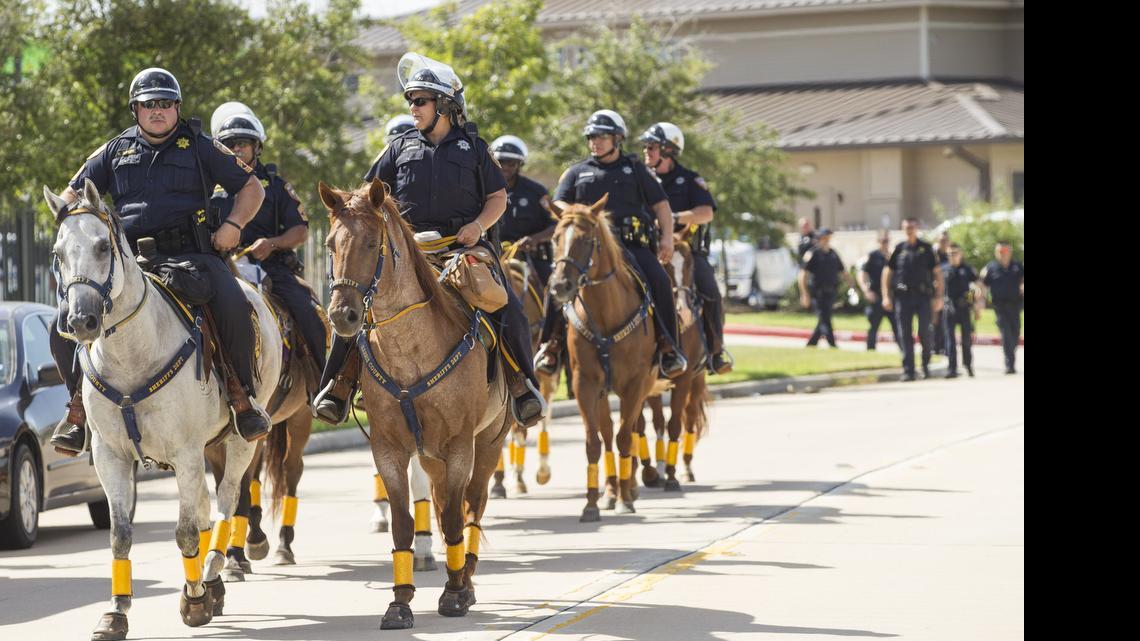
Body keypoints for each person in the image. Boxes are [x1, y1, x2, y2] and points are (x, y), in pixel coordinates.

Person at [312, 53, 546, 427]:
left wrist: (478, 228)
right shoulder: (399, 147)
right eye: (410, 100)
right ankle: (337, 387)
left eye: (420, 100)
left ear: (444, 106)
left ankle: (522, 386)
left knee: (507, 306)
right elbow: (365, 195)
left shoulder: (474, 147)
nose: (413, 107)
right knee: (360, 305)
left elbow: (498, 198)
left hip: (464, 247)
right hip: (410, 253)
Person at [49, 67, 270, 455]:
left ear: (177, 108)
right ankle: (77, 410)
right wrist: (71, 223)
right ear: (135, 109)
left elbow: (251, 188)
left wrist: (234, 225)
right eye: (148, 104)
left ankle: (241, 396)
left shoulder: (201, 147)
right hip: (127, 262)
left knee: (235, 304)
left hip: (193, 256)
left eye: (165, 104)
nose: (157, 111)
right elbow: (69, 197)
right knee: (62, 320)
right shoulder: (113, 151)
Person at [533, 109, 688, 379]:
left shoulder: (635, 169)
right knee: (555, 284)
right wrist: (576, 212)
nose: (596, 141)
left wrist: (666, 238)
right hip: (587, 248)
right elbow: (558, 201)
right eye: (592, 136)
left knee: (660, 281)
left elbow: (661, 205)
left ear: (618, 139)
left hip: (633, 246)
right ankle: (552, 344)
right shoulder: (576, 171)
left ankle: (668, 346)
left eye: (603, 136)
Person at [210, 102, 327, 375]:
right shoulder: (208, 188)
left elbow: (300, 230)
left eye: (242, 143)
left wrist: (272, 243)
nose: (237, 149)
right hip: (222, 268)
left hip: (272, 269)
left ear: (256, 147)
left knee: (309, 313)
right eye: (230, 144)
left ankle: (324, 384)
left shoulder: (276, 186)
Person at [639, 121, 732, 374]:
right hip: (648, 251)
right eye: (645, 146)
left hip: (687, 253)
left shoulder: (690, 179)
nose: (646, 151)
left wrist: (673, 218)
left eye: (653, 147)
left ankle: (715, 351)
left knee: (711, 290)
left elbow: (705, 213)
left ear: (669, 150)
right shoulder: (641, 180)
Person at [882, 218, 943, 381]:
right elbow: (887, 273)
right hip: (903, 297)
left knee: (924, 331)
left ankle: (924, 366)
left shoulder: (927, 248)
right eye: (906, 227)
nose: (909, 229)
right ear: (902, 228)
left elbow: (937, 273)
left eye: (912, 227)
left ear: (917, 228)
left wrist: (939, 296)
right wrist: (886, 296)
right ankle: (908, 370)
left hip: (923, 296)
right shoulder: (899, 249)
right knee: (905, 334)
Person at [490, 135, 555, 286]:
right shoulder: (482, 192)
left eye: (511, 163)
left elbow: (556, 225)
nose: (505, 167)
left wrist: (534, 239)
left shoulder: (537, 192)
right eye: (500, 162)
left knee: (554, 296)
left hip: (532, 259)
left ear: (520, 164)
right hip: (493, 258)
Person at [797, 228, 851, 348]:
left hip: (831, 291)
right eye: (825, 238)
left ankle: (812, 343)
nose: (827, 240)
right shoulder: (812, 253)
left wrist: (852, 286)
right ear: (819, 239)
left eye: (829, 238)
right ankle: (832, 344)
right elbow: (802, 274)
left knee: (824, 318)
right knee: (825, 318)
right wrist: (804, 293)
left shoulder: (833, 253)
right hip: (818, 292)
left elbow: (843, 272)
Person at [979, 240, 1024, 374]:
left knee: (1015, 333)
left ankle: (1011, 356)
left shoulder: (1018, 266)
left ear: (1010, 252)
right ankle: (1009, 364)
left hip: (1016, 306)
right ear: (996, 253)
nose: (1003, 254)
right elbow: (980, 285)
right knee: (1006, 334)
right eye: (1000, 251)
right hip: (1000, 307)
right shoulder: (990, 268)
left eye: (1005, 251)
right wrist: (979, 301)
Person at [942, 242, 980, 378]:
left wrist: (973, 304)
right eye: (950, 254)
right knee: (949, 340)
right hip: (949, 307)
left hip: (964, 308)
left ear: (961, 254)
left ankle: (968, 365)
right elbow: (939, 289)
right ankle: (952, 368)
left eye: (955, 253)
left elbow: (974, 287)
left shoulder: (967, 269)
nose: (953, 256)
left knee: (966, 340)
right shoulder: (943, 269)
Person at [859, 230, 899, 350]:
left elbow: (899, 277)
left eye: (887, 241)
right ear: (878, 241)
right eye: (882, 241)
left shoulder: (893, 257)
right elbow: (861, 273)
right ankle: (870, 349)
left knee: (897, 325)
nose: (885, 243)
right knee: (874, 325)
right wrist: (866, 290)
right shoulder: (872, 255)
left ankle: (903, 350)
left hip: (891, 297)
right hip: (876, 296)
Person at [931, 231, 952, 354]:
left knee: (946, 320)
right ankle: (934, 346)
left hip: (948, 293)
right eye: (941, 241)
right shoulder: (932, 255)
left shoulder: (950, 255)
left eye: (946, 241)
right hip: (934, 293)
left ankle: (944, 346)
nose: (943, 243)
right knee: (934, 320)